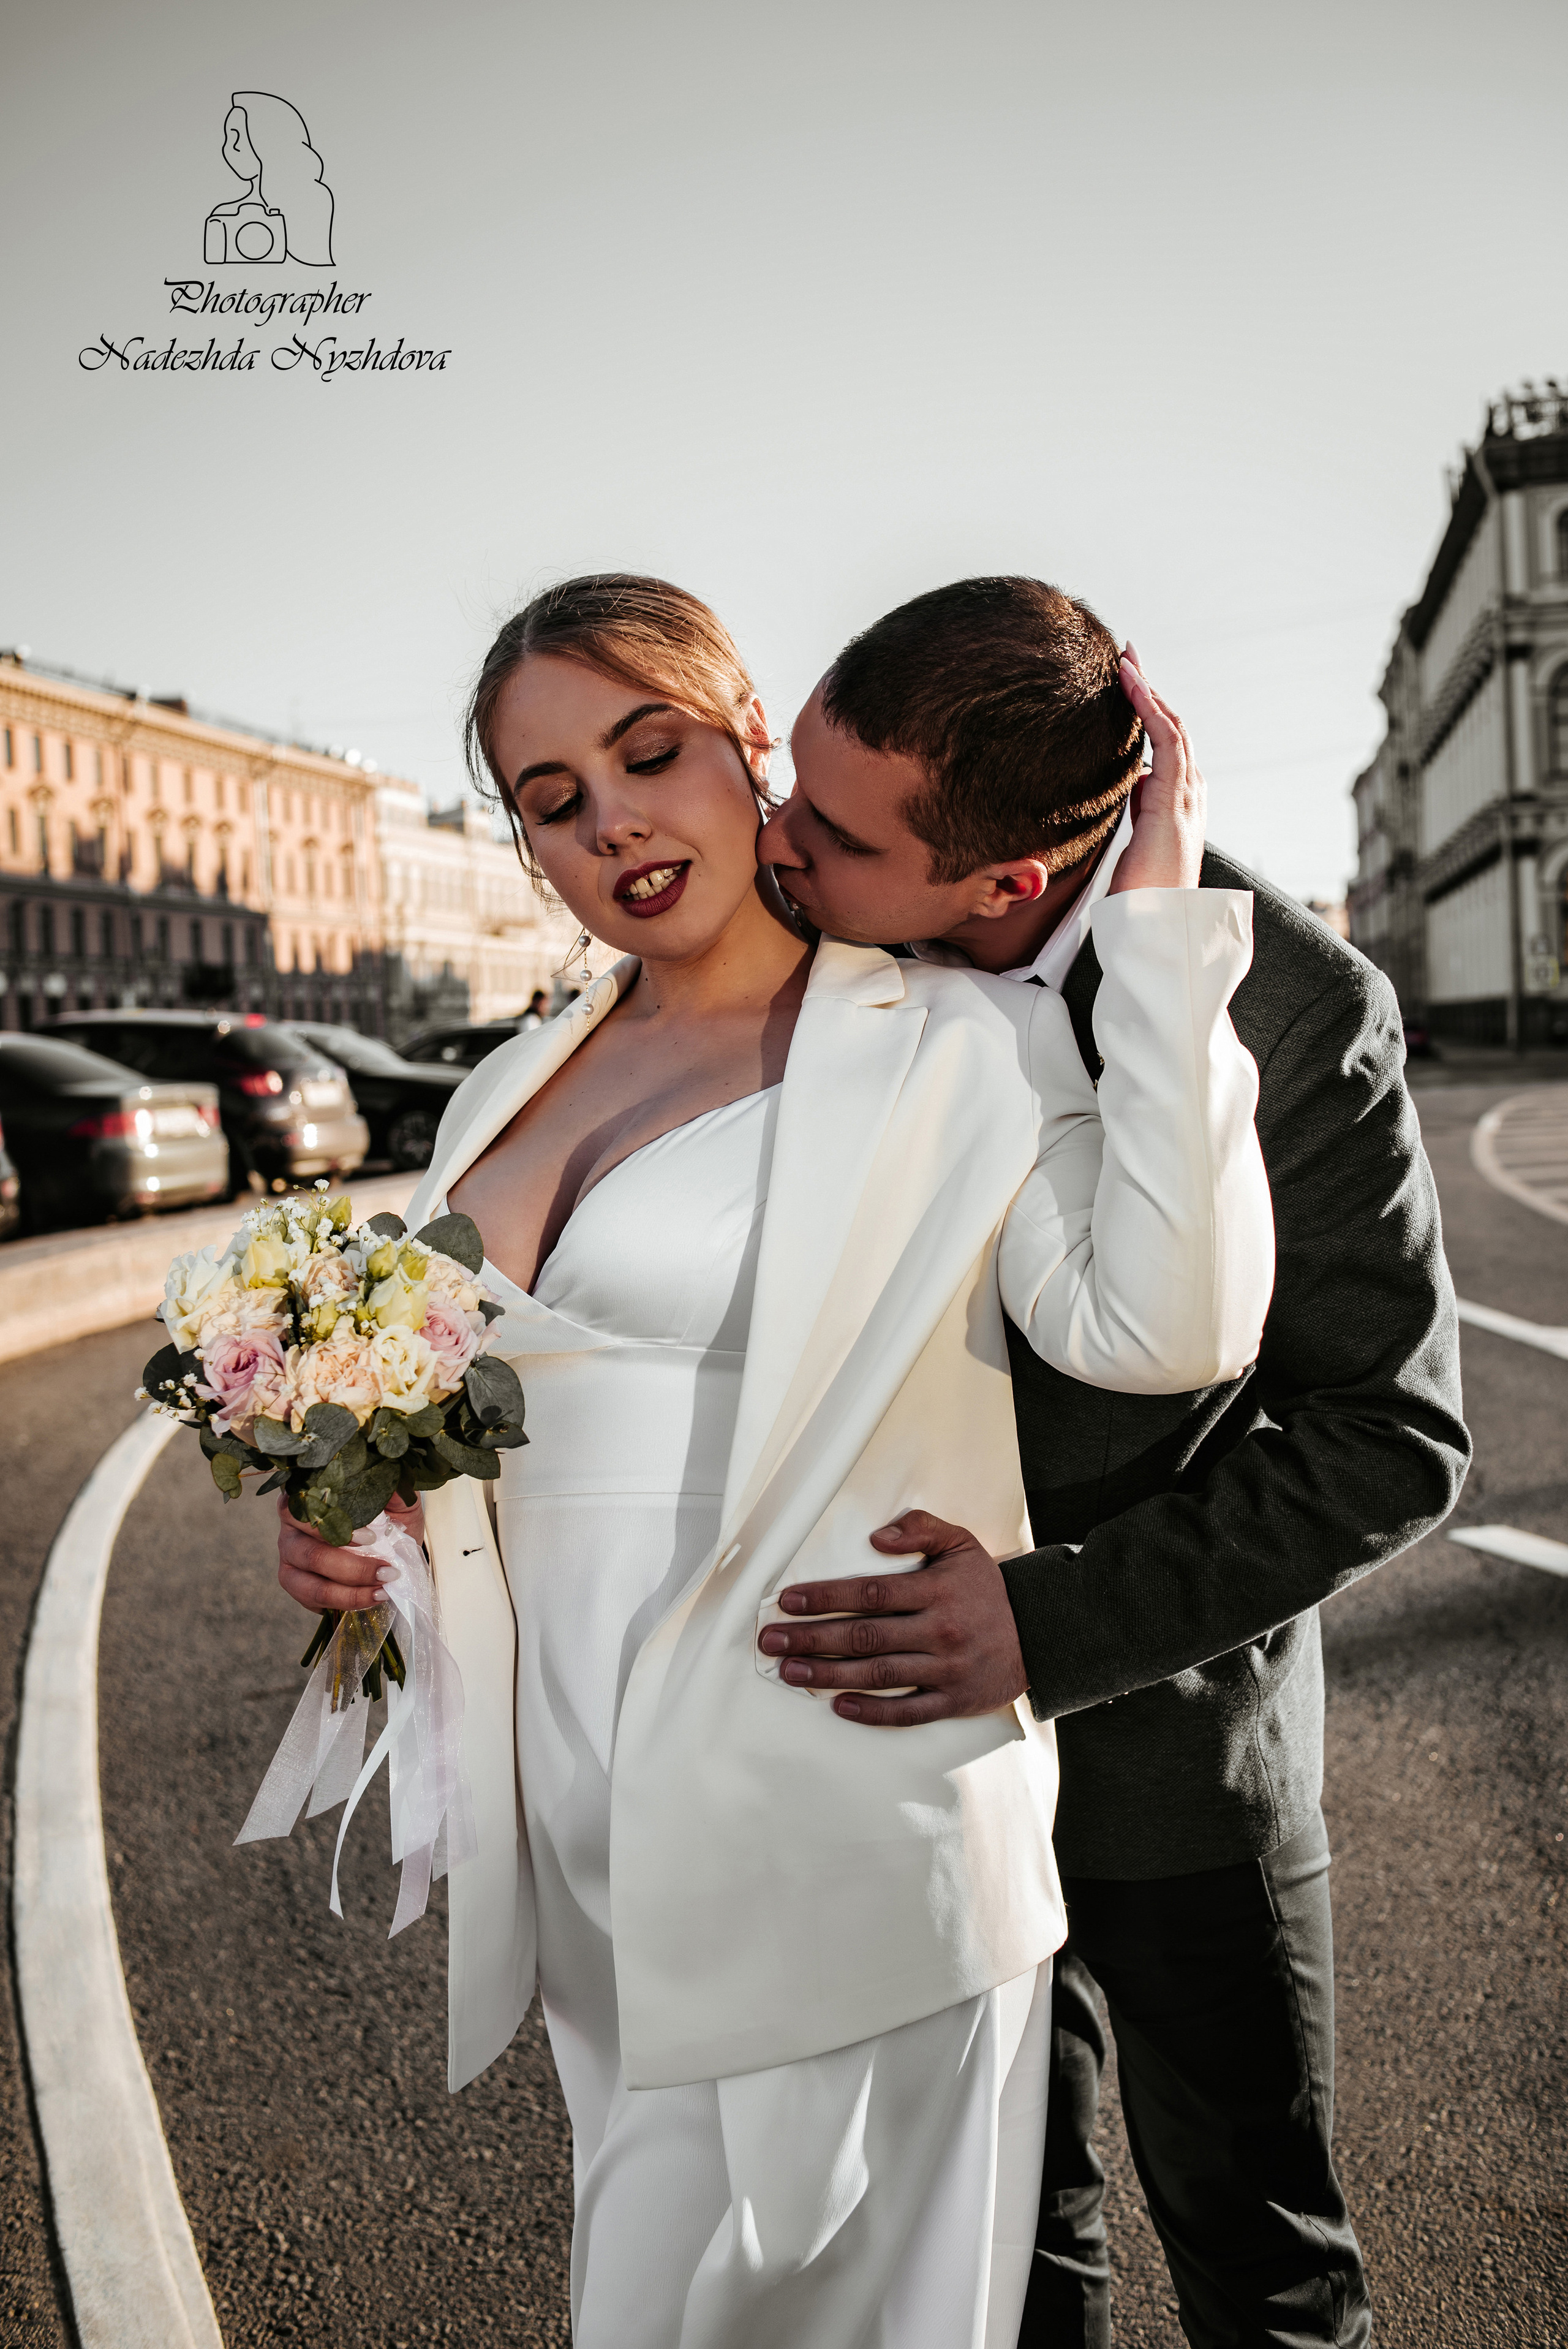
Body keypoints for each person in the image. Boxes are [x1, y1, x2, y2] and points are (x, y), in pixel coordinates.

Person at [275, 574, 1273, 2348]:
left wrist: (1161, 936)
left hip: (846, 1817)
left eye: (649, 752)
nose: (616, 823)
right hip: (585, 1834)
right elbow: (444, 1426)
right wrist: (349, 1531)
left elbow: (1164, 1328)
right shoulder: (504, 1084)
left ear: (750, 745)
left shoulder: (953, 1046)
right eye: (553, 800)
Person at [754, 575, 1470, 2349]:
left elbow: (1393, 1435)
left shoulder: (1300, 1010)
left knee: (1262, 2255)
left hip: (1177, 1773)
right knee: (1004, 2252)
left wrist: (1048, 1625)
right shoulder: (816, 954)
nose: (779, 845)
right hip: (901, 1774)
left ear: (1005, 883)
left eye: (832, 833)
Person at [206, 92, 335, 267]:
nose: (231, 146)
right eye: (229, 136)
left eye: (233, 135)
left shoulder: (225, 214)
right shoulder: (224, 215)